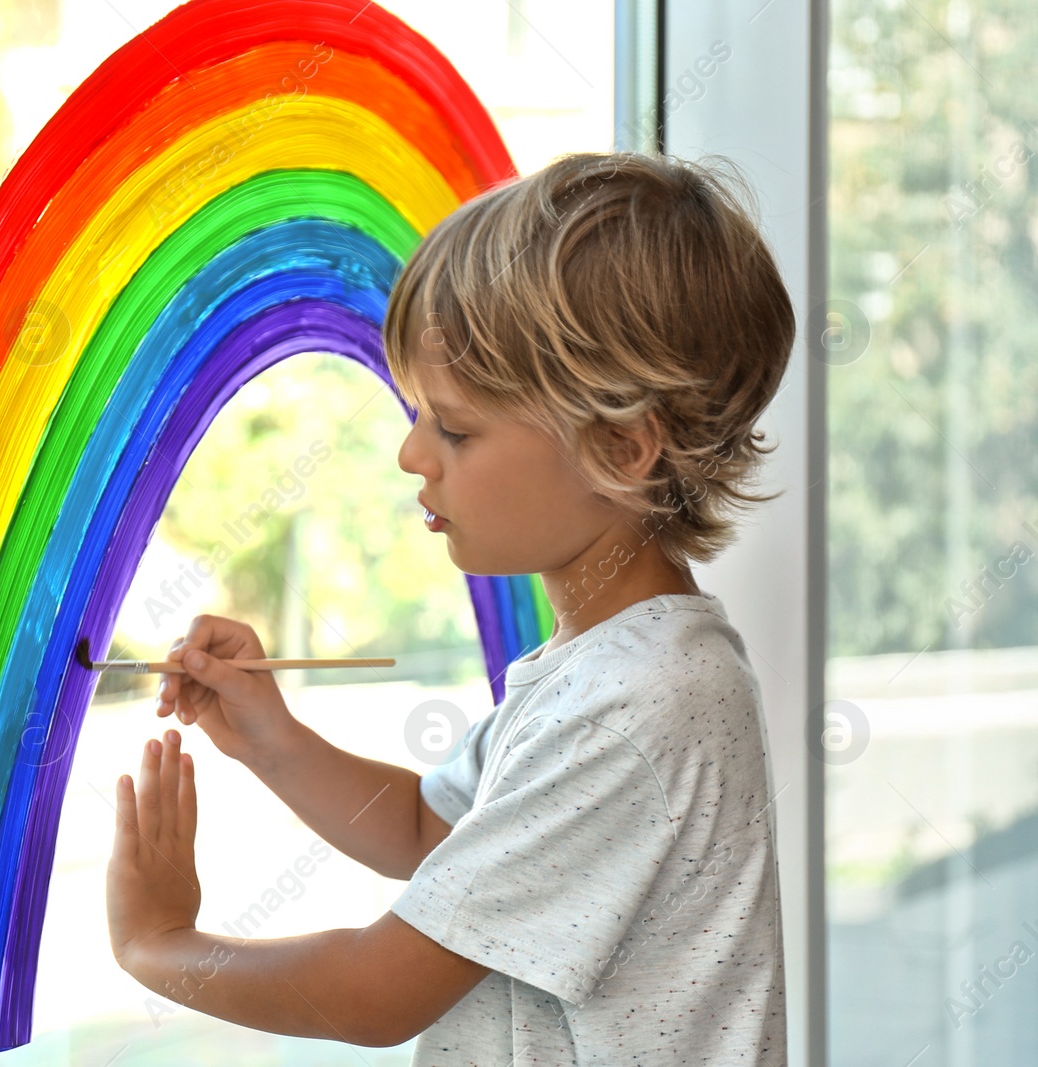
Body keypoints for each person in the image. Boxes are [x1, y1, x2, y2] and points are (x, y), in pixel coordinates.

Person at [104, 150, 795, 1065]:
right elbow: (428, 832)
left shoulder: (639, 702)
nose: (411, 455)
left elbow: (375, 993)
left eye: (455, 428)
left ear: (624, 449)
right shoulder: (604, 665)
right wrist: (268, 732)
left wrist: (160, 947)